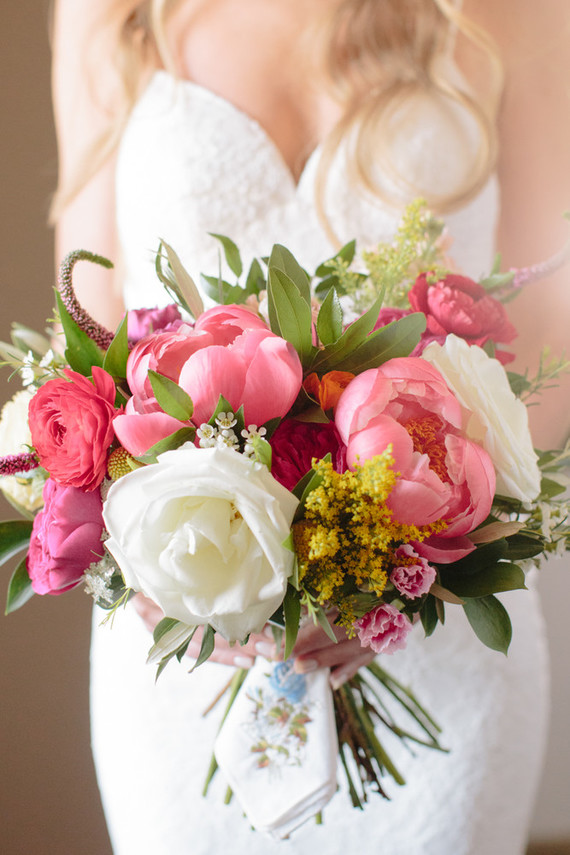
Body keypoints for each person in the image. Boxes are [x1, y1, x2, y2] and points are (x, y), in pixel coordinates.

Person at [51, 1, 570, 853]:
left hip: (437, 629)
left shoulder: (513, 13)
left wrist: (396, 574)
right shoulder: (107, 13)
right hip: (186, 630)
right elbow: (95, 328)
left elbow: (552, 312)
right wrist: (162, 570)